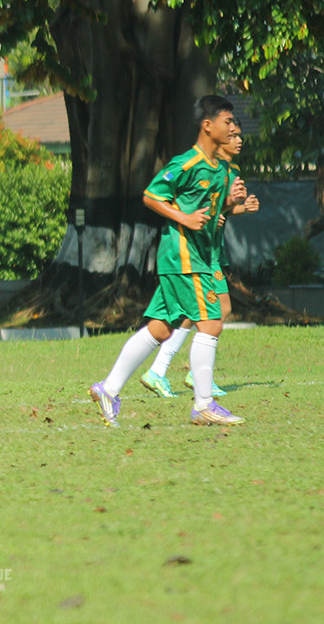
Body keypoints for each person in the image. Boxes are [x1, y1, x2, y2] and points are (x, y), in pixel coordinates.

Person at [90, 95, 247, 427]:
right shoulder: (186, 163)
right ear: (208, 125)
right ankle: (203, 405)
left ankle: (109, 388)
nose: (233, 128)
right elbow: (151, 196)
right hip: (184, 257)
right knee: (211, 323)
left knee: (160, 329)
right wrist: (183, 218)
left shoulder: (219, 169)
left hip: (199, 256)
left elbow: (212, 215)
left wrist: (232, 205)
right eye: (227, 121)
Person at [140, 120, 260, 398]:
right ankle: (174, 373)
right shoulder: (205, 165)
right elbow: (202, 209)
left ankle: (166, 371)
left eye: (239, 135)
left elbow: (220, 210)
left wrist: (239, 207)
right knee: (210, 311)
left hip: (211, 251)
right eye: (232, 134)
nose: (237, 139)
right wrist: (220, 212)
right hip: (197, 252)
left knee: (211, 311)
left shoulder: (232, 170)